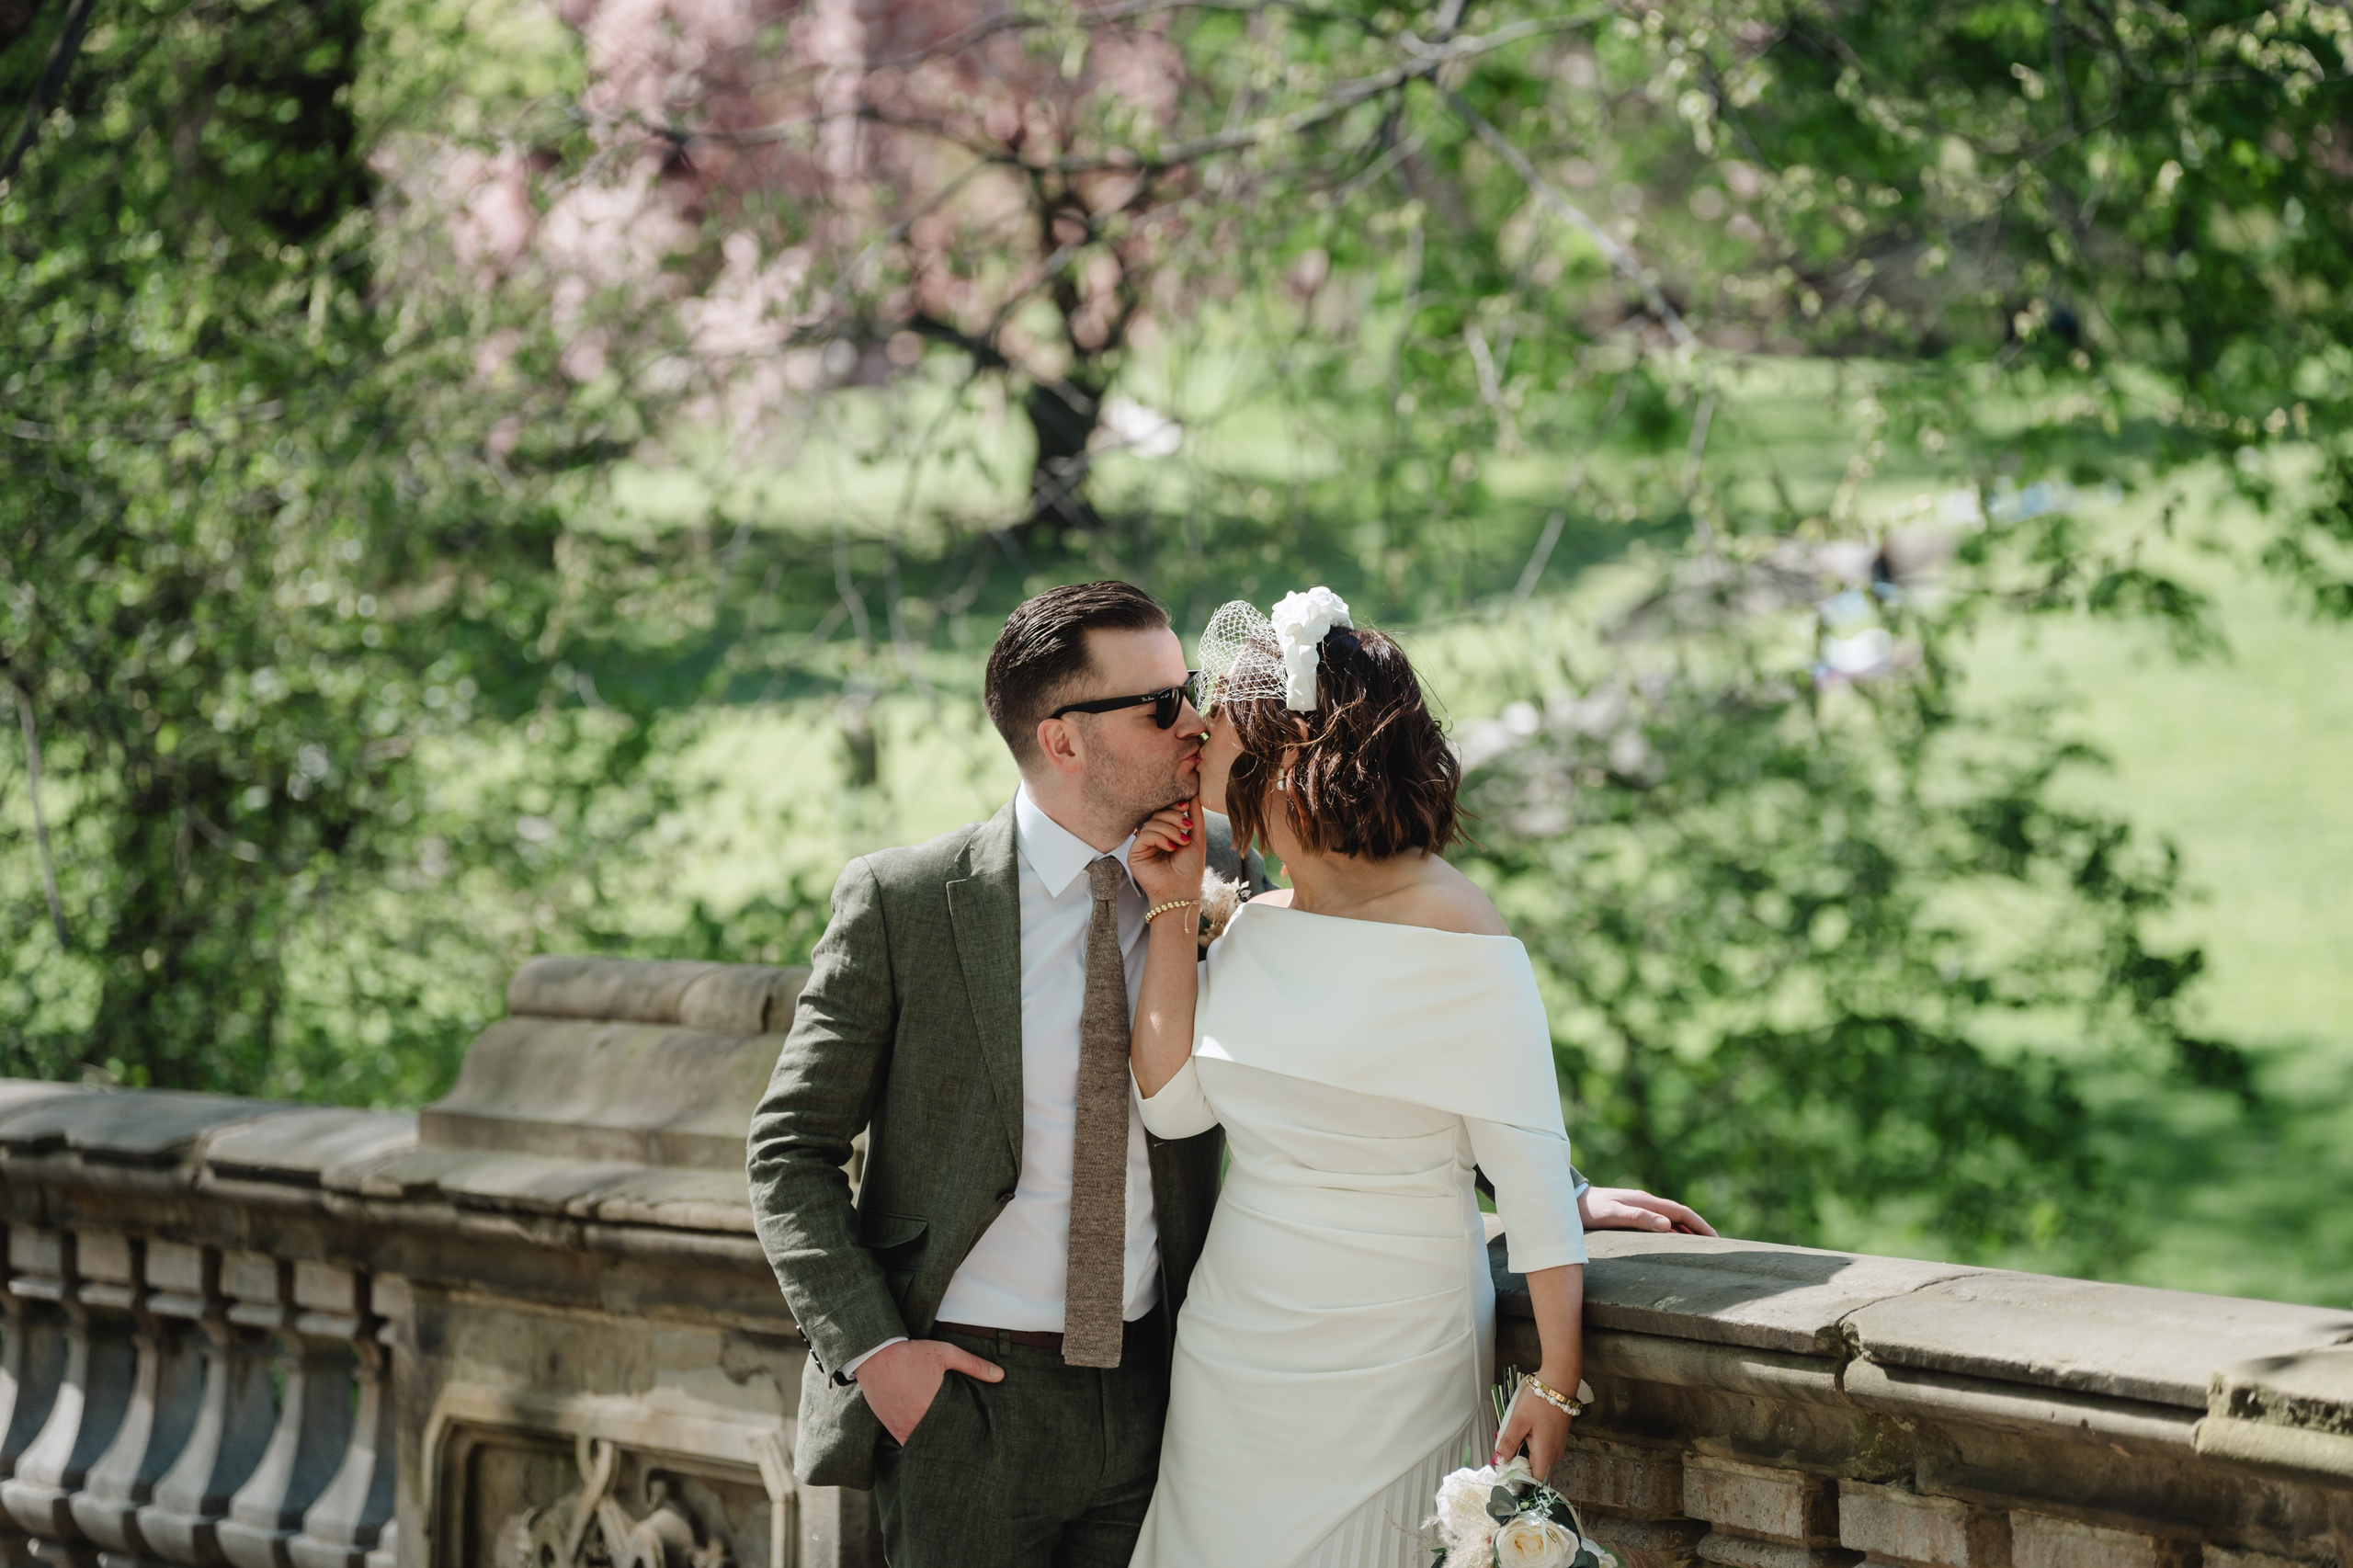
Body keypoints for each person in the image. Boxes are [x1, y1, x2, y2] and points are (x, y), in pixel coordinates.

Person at [745, 580, 1711, 1568]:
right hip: (969, 1400)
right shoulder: (907, 902)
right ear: (1063, 740)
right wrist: (879, 1356)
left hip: (1161, 1382)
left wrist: (1559, 1191)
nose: (1195, 721)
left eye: (1196, 692)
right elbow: (788, 1149)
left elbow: (1390, 1050)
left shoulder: (1241, 862)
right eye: (1163, 704)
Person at [1121, 588, 1590, 1566]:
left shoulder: (1460, 931)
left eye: (1220, 714)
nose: (1194, 728)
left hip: (1398, 1349)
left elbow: (1530, 1177)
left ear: (1285, 753)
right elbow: (1170, 1108)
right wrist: (1172, 908)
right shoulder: (1255, 926)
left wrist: (1555, 1377)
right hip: (1234, 1349)